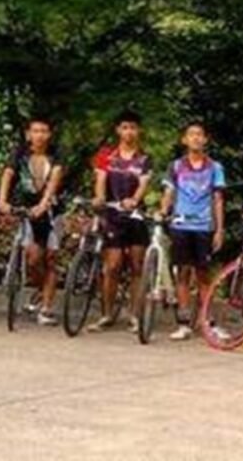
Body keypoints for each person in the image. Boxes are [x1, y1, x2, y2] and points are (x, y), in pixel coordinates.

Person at [159, 121, 226, 341]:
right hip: (180, 225)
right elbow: (169, 192)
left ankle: (208, 321)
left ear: (205, 139)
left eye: (199, 134)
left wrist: (219, 229)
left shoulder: (215, 167)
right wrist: (163, 211)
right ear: (184, 140)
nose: (196, 138)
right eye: (191, 134)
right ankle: (184, 322)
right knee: (183, 273)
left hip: (204, 226)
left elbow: (218, 199)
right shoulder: (176, 166)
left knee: (204, 275)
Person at [0, 116, 64, 326]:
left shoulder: (56, 154)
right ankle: (41, 290)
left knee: (50, 258)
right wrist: (2, 200)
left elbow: (55, 178)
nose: (39, 135)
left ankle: (46, 308)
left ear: (49, 134)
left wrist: (43, 204)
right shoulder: (19, 153)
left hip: (52, 211)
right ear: (28, 134)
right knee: (33, 259)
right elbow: (8, 174)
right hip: (26, 209)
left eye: (44, 131)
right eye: (35, 131)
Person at [89, 110, 153, 333]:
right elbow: (100, 180)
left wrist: (134, 200)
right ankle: (107, 314)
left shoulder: (144, 159)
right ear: (118, 130)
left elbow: (144, 184)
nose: (129, 132)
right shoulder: (106, 155)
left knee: (137, 266)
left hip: (135, 216)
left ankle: (134, 315)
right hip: (112, 215)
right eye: (125, 127)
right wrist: (99, 198)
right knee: (113, 266)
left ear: (139, 131)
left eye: (133, 127)